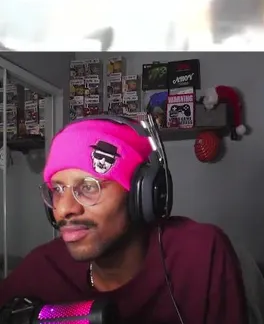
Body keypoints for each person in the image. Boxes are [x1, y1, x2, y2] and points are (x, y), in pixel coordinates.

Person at [0, 116, 248, 323]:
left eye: (89, 187)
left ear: (142, 195)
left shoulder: (200, 252)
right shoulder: (42, 268)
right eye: (57, 189)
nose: (64, 209)